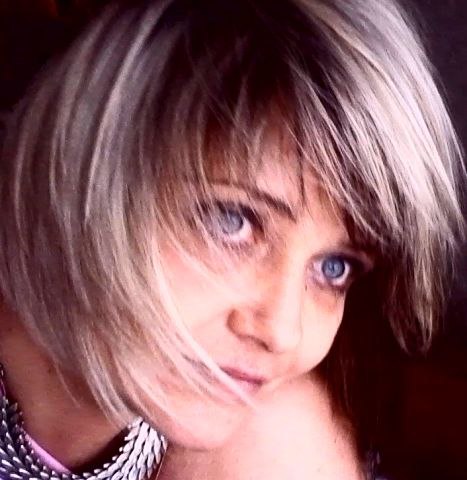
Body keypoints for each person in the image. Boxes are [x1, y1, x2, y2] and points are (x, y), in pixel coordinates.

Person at [0, 0, 463, 478]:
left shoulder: (272, 437)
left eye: (334, 268)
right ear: (80, 164)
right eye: (231, 221)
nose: (282, 331)